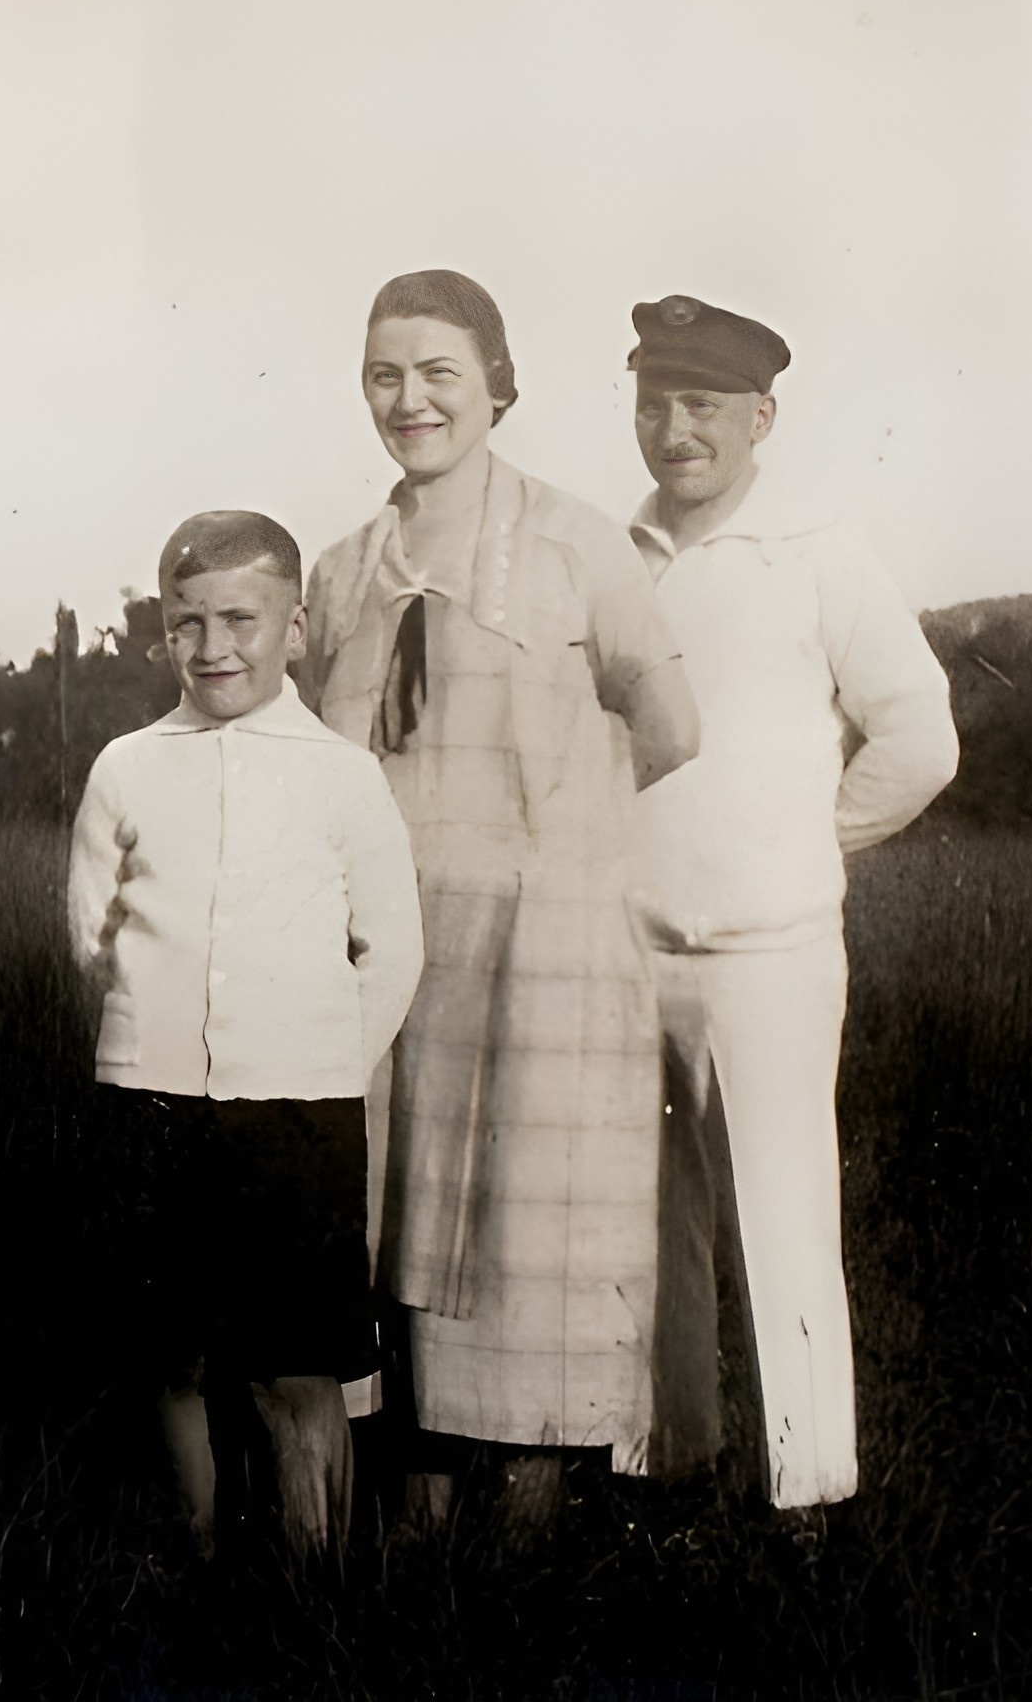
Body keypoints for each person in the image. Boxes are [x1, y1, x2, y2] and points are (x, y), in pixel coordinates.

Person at [301, 271, 699, 1540]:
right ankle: (416, 1526)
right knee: (397, 1213)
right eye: (384, 375)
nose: (409, 401)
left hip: (545, 949)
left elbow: (672, 727)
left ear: (497, 387)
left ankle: (530, 1532)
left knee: (533, 1232)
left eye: (438, 375)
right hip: (395, 951)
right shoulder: (344, 569)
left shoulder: (582, 545)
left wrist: (554, 844)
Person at [624, 293, 959, 1513]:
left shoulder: (822, 552)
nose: (675, 430)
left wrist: (806, 846)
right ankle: (668, 1466)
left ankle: (810, 1498)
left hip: (773, 951)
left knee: (784, 1216)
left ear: (762, 417)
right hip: (633, 950)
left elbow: (920, 741)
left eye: (701, 406)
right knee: (650, 1229)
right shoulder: (617, 556)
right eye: (653, 403)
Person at [67, 510, 424, 1564]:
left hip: (296, 1117)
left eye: (240, 619)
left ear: (296, 628)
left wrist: (318, 1066)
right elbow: (91, 935)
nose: (214, 647)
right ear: (161, 630)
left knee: (294, 1364)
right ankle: (195, 1552)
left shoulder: (342, 774)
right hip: (153, 1107)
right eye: (186, 623)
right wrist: (149, 1039)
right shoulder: (129, 767)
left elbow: (392, 950)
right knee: (169, 1352)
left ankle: (314, 1582)